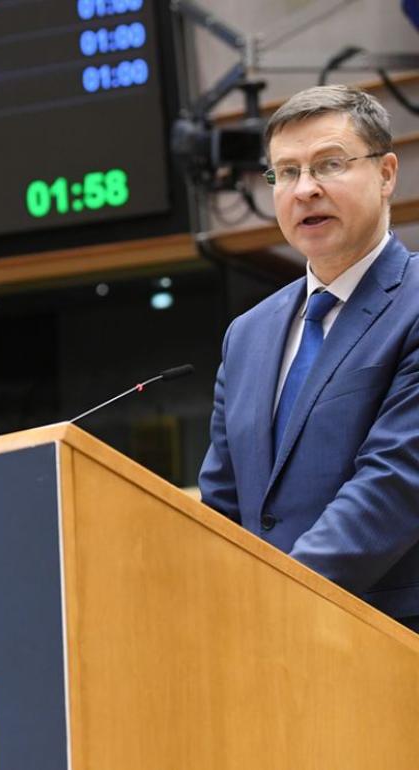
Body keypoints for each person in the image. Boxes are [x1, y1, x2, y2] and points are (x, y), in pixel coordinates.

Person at [199, 85, 419, 631]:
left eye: (330, 165)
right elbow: (221, 503)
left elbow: (395, 481)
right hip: (266, 640)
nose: (305, 189)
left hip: (391, 634)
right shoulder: (246, 335)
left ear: (386, 173)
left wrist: (278, 598)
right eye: (286, 172)